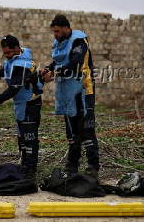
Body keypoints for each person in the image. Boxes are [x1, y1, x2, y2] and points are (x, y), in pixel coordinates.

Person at [40, 14, 100, 179]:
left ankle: (93, 168)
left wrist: (54, 73)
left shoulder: (79, 41)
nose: (56, 35)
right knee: (72, 132)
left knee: (86, 130)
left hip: (83, 91)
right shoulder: (59, 43)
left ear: (66, 28)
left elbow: (75, 63)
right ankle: (72, 167)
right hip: (67, 93)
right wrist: (47, 68)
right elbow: (56, 61)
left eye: (58, 31)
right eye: (54, 32)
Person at [0, 35, 43, 180]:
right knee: (21, 136)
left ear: (16, 48)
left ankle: (30, 170)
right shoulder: (15, 58)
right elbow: (5, 69)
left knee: (29, 137)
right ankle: (24, 164)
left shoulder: (23, 65)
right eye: (4, 53)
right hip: (21, 104)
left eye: (8, 53)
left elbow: (11, 91)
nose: (6, 56)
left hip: (30, 104)